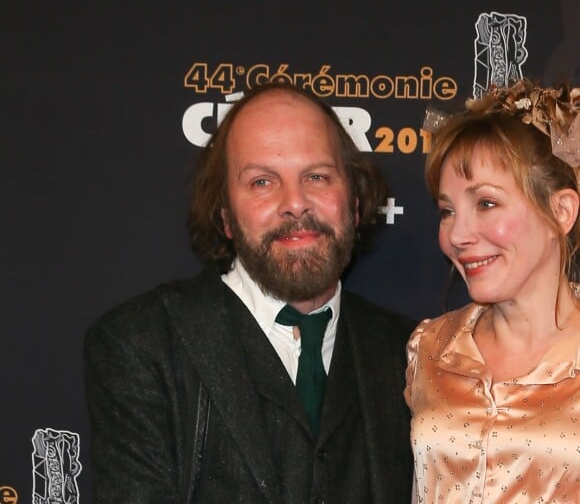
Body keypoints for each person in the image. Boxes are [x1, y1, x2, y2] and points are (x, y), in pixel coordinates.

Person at [85, 82, 415, 503]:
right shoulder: (140, 345)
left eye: (316, 176)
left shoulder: (409, 353)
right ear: (225, 215)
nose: (295, 203)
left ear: (353, 202)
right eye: (262, 182)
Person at [405, 79, 580, 502]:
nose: (458, 235)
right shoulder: (428, 347)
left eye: (485, 203)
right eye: (447, 211)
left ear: (561, 211)